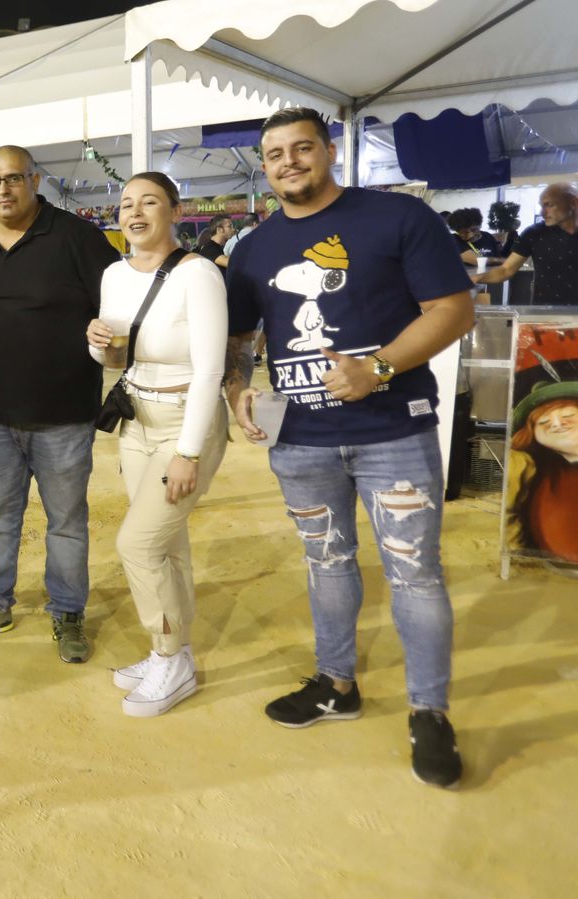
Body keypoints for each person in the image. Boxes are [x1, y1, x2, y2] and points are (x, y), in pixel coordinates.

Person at [223, 108, 475, 789]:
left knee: (414, 574)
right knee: (327, 564)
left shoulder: (396, 218)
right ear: (265, 165)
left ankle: (430, 710)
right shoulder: (252, 247)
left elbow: (453, 308)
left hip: (394, 432)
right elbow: (241, 339)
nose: (288, 162)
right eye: (274, 153)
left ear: (329, 151)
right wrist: (237, 386)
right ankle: (337, 682)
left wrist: (380, 369)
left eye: (301, 148)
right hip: (300, 442)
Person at [0, 144, 120, 660]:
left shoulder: (76, 237)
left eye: (13, 179)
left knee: (66, 519)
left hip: (64, 415)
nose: (3, 190)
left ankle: (68, 612)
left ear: (36, 180)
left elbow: (119, 298)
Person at [85, 172, 228, 717]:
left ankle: (169, 656)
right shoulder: (112, 274)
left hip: (184, 422)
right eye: (126, 204)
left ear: (174, 210)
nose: (135, 213)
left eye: (149, 202)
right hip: (135, 421)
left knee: (137, 544)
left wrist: (189, 453)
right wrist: (95, 343)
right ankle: (175, 650)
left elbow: (211, 368)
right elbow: (116, 360)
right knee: (167, 544)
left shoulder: (198, 276)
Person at [504, 381, 578, 563]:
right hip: (549, 567)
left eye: (569, 414)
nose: (557, 424)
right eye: (543, 421)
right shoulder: (527, 467)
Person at [473, 183, 578, 305]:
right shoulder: (534, 233)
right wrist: (476, 278)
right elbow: (506, 270)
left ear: (573, 203)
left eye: (549, 205)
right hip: (546, 314)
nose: (543, 213)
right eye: (542, 206)